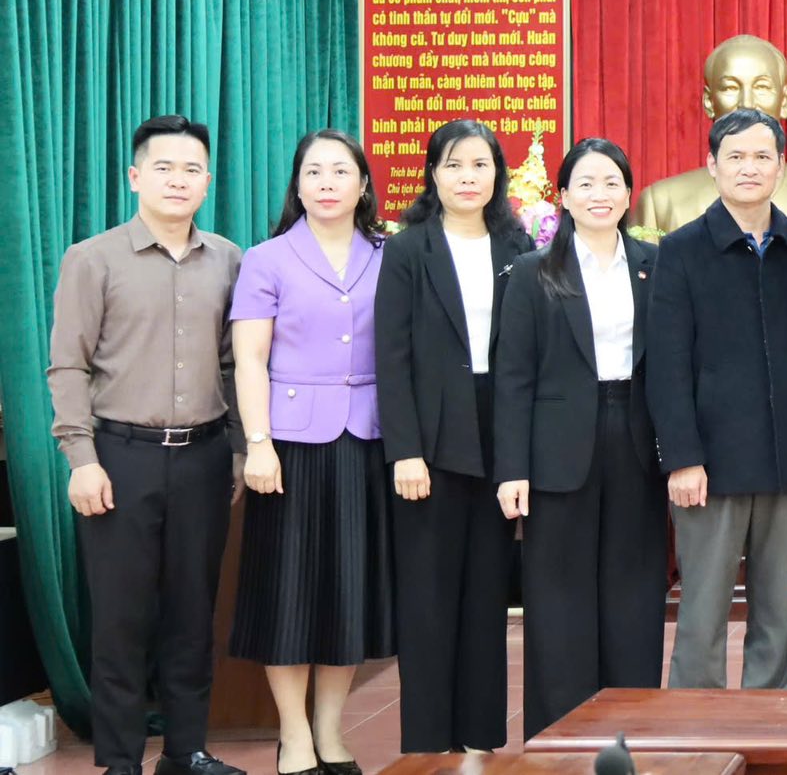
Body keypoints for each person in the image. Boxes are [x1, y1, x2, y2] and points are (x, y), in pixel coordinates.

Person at [47, 115, 246, 775]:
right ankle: (121, 760)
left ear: (207, 181)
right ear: (135, 177)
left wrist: (239, 450)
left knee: (193, 613)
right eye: (164, 168)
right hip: (120, 457)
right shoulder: (93, 258)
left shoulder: (229, 260)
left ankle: (186, 751)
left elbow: (234, 364)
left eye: (191, 170)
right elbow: (68, 366)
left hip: (204, 456)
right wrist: (81, 459)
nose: (178, 180)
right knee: (122, 618)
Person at [647, 108, 787, 690]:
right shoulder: (681, 250)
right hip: (710, 464)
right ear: (712, 165)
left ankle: (769, 717)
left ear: (781, 165)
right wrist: (682, 457)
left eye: (761, 156)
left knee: (779, 608)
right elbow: (667, 365)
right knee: (703, 611)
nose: (748, 167)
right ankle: (696, 722)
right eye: (735, 156)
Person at [228, 130, 394, 775]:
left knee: (348, 590)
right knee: (289, 592)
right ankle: (293, 734)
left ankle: (330, 729)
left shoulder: (387, 254)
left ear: (363, 184)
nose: (327, 182)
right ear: (297, 185)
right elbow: (250, 358)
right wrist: (258, 443)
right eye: (314, 171)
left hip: (368, 439)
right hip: (290, 445)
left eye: (341, 171)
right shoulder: (266, 258)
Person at [495, 138, 666, 737]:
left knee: (635, 589)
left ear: (628, 193)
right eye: (586, 183)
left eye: (612, 182)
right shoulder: (534, 272)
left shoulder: (653, 265)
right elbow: (513, 377)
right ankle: (560, 735)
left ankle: (631, 727)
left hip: (636, 436)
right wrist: (512, 468)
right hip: (556, 445)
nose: (600, 194)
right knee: (558, 594)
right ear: (563, 196)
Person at [375, 120, 532, 754]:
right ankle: (427, 741)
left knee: (487, 592)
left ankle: (479, 737)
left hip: (499, 429)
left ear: (498, 174)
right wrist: (405, 451)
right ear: (433, 175)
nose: (468, 177)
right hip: (432, 440)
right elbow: (391, 358)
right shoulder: (408, 249)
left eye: (480, 165)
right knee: (428, 597)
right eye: (454, 165)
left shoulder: (518, 245)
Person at [628, 34, 787, 231]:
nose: (746, 103)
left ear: (784, 101)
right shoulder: (662, 204)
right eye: (730, 88)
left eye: (761, 87)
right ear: (709, 101)